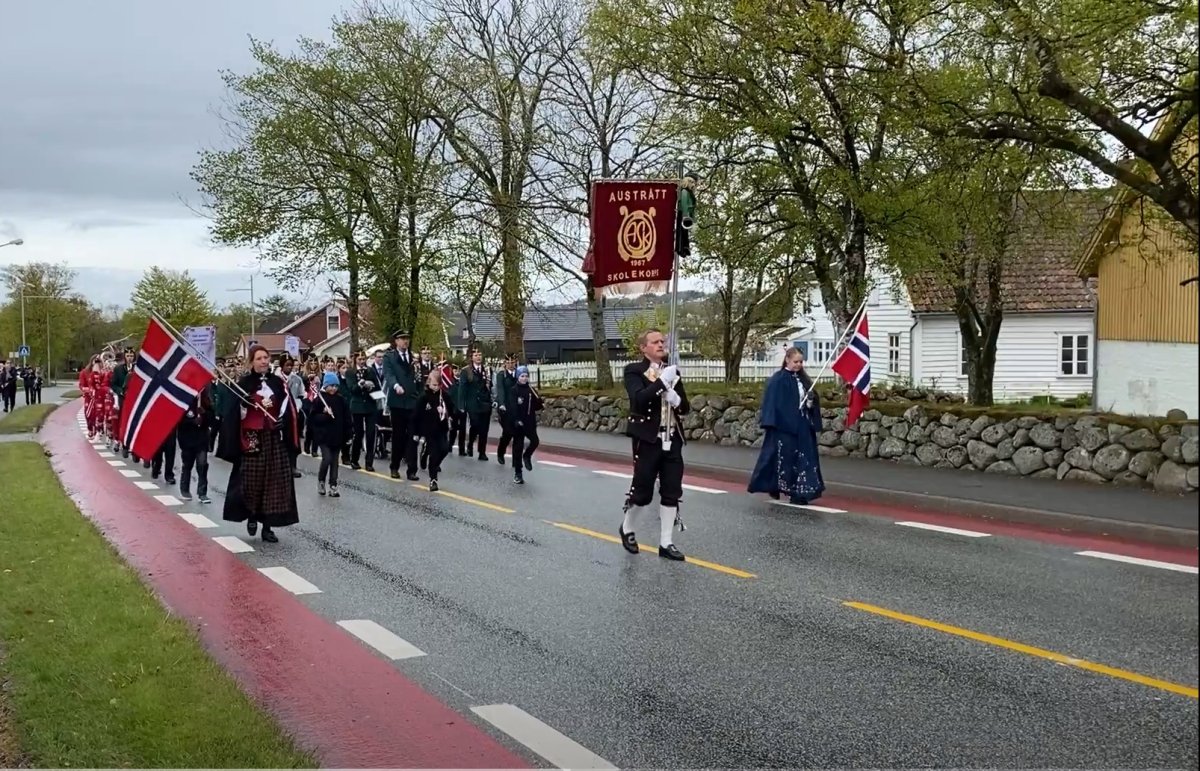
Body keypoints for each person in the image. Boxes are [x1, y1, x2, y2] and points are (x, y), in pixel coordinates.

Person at [618, 329, 689, 562]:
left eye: (662, 341)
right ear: (643, 348)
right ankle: (627, 527)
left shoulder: (671, 371)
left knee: (671, 490)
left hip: (672, 438)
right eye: (655, 342)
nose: (661, 344)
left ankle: (666, 542)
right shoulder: (634, 371)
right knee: (643, 491)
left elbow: (685, 408)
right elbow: (639, 399)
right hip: (648, 439)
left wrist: (676, 399)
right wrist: (661, 382)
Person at [217, 344, 301, 543]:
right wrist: (243, 405)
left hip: (273, 439)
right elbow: (231, 413)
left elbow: (288, 408)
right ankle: (252, 516)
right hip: (252, 439)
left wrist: (283, 422)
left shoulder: (278, 383)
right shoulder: (243, 384)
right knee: (252, 481)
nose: (263, 361)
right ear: (252, 362)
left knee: (274, 482)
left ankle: (268, 526)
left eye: (266, 357)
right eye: (259, 358)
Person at [747, 347, 826, 505]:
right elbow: (773, 403)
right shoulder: (778, 380)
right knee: (785, 460)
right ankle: (779, 487)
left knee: (805, 458)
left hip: (802, 427)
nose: (798, 365)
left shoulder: (804, 381)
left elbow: (808, 406)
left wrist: (810, 400)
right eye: (795, 361)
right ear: (787, 360)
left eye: (801, 362)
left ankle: (801, 492)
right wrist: (774, 422)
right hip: (784, 428)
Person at [307, 371, 352, 497]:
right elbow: (313, 419)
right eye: (331, 386)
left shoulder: (341, 400)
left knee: (335, 462)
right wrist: (324, 414)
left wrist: (349, 434)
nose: (334, 388)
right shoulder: (319, 400)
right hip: (323, 436)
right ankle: (321, 480)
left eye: (336, 386)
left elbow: (347, 419)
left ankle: (333, 485)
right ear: (326, 385)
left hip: (337, 435)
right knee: (327, 458)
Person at [383, 330, 419, 480]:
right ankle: (394, 467)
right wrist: (396, 385)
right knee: (398, 437)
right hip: (397, 403)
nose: (405, 341)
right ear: (396, 341)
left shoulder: (413, 357)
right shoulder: (389, 357)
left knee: (413, 437)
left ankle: (412, 470)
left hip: (412, 401)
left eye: (407, 338)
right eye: (402, 339)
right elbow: (388, 374)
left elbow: (418, 378)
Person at [413, 369, 451, 491]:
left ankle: (428, 457)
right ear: (429, 383)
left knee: (444, 449)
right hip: (429, 430)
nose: (436, 387)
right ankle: (433, 479)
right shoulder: (424, 397)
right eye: (434, 385)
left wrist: (447, 412)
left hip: (442, 428)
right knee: (434, 453)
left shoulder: (443, 395)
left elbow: (452, 408)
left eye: (438, 385)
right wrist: (416, 432)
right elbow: (416, 416)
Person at [177, 385, 215, 504]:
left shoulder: (205, 402)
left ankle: (202, 493)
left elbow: (212, 420)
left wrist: (205, 414)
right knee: (187, 465)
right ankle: (184, 489)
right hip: (187, 439)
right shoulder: (184, 401)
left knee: (202, 465)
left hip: (202, 439)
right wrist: (192, 421)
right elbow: (179, 421)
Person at [505, 365, 543, 484]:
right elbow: (512, 406)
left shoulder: (531, 390)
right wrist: (516, 420)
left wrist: (539, 401)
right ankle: (518, 473)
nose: (524, 378)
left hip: (529, 421)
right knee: (518, 447)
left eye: (526, 376)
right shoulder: (514, 390)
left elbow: (536, 407)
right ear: (518, 377)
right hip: (518, 423)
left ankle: (527, 455)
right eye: (522, 376)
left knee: (535, 441)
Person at [347, 351, 381, 472]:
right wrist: (361, 384)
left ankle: (369, 462)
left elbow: (377, 387)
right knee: (358, 433)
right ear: (355, 360)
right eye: (359, 359)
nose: (362, 361)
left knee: (371, 434)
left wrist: (371, 386)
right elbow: (352, 389)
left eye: (363, 359)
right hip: (357, 406)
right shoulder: (351, 372)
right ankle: (354, 459)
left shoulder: (370, 371)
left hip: (370, 406)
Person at [459, 348, 493, 461]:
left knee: (484, 429)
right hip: (472, 403)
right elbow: (462, 389)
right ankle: (470, 443)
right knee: (475, 425)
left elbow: (491, 386)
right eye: (476, 355)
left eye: (480, 354)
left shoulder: (487, 370)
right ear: (471, 357)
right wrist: (461, 405)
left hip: (485, 403)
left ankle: (482, 452)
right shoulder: (466, 371)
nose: (478, 357)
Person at [493, 354, 517, 465]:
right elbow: (500, 390)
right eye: (508, 363)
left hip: (516, 408)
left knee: (517, 434)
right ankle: (500, 452)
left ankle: (516, 459)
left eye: (512, 362)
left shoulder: (519, 374)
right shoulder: (501, 375)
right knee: (508, 432)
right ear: (505, 364)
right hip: (505, 408)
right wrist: (501, 404)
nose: (510, 365)